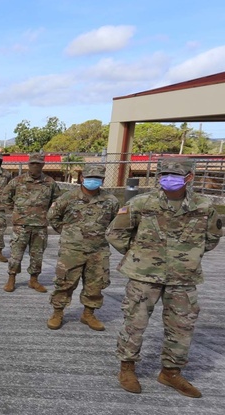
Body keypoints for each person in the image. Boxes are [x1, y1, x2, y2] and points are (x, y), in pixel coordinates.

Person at [107, 158, 221, 398]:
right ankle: (127, 368)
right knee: (134, 323)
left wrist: (187, 256)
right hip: (144, 276)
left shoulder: (203, 206)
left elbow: (211, 239)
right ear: (159, 176)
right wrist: (138, 255)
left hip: (183, 277)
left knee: (182, 326)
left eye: (176, 175)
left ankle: (170, 372)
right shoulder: (141, 203)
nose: (169, 178)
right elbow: (116, 233)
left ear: (189, 177)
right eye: (165, 174)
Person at [45, 164, 120, 331]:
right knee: (65, 282)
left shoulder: (111, 200)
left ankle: (88, 314)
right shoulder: (68, 197)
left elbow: (115, 223)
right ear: (82, 178)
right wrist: (67, 232)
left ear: (102, 180)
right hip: (72, 250)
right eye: (90, 177)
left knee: (96, 284)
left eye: (97, 178)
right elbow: (53, 216)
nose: (93, 180)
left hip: (98, 250)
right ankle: (58, 312)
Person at [3, 152, 60, 293]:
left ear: (43, 165)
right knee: (16, 254)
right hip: (21, 225)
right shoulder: (18, 181)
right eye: (32, 164)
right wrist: (17, 211)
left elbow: (57, 201)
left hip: (40, 226)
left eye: (38, 164)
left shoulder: (50, 182)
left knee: (37, 254)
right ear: (28, 164)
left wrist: (48, 214)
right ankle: (11, 279)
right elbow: (6, 197)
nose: (35, 167)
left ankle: (34, 280)